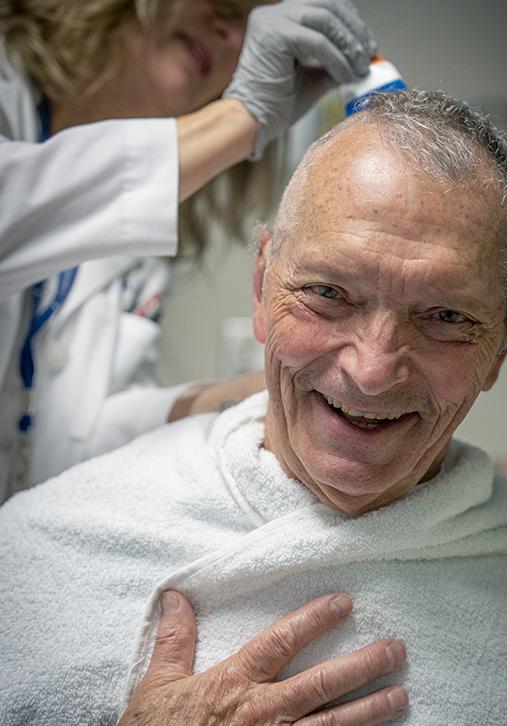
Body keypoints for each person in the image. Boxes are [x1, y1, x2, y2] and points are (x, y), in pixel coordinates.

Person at [2, 89, 507, 726]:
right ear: (262, 286)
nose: (372, 371)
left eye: (446, 318)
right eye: (328, 294)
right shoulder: (48, 550)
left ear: (503, 346)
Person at [0, 0, 377, 500]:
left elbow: (73, 433)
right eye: (226, 1)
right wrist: (243, 117)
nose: (231, 34)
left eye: (251, 27)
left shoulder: (139, 239)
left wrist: (230, 401)